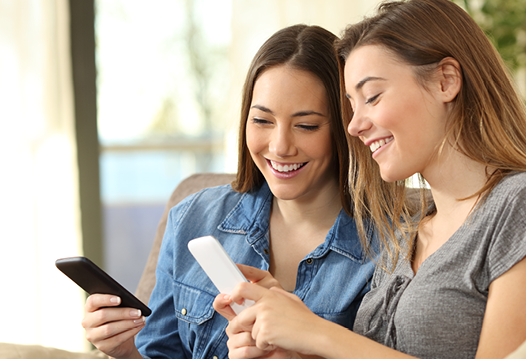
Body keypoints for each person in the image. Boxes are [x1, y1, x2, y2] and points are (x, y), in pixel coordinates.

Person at [213, 0, 526, 359]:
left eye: (371, 97)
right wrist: (293, 341)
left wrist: (317, 333)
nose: (354, 126)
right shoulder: (408, 236)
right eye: (351, 105)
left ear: (445, 81)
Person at [80, 24, 377, 359]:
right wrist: (124, 349)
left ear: (345, 127)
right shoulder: (192, 218)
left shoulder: (389, 249)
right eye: (262, 121)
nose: (279, 147)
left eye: (306, 125)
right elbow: (159, 354)